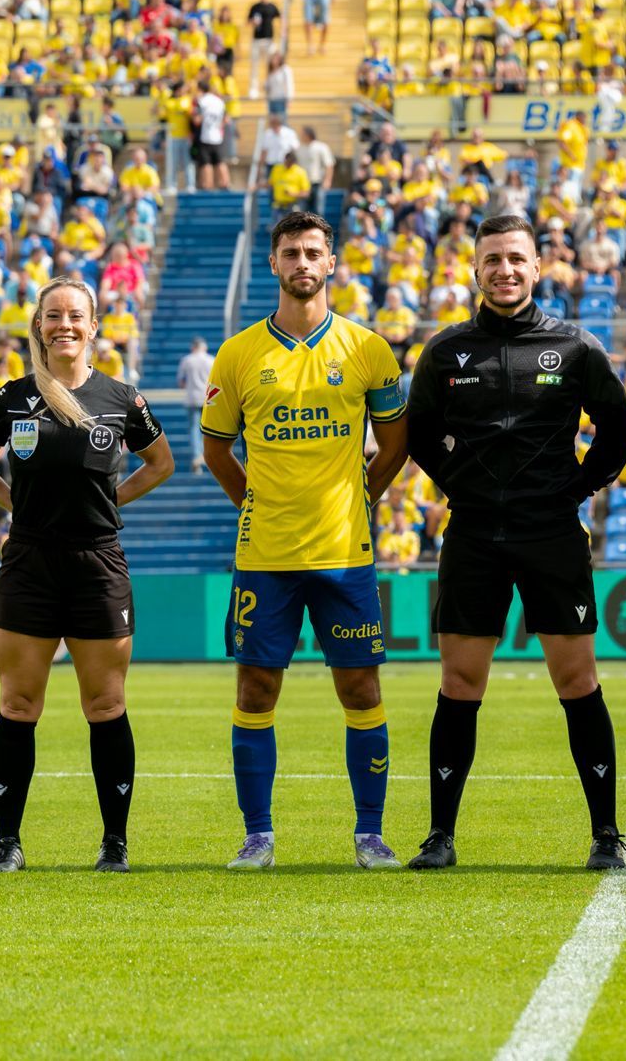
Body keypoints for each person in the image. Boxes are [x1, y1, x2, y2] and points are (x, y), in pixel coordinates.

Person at [404, 214, 626, 870]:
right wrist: (458, 482)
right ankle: (441, 837)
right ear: (475, 271)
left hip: (551, 533)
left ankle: (606, 836)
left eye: (516, 259)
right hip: (474, 533)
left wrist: (579, 487)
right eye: (492, 261)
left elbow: (615, 430)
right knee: (460, 681)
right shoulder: (446, 351)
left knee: (576, 678)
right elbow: (419, 435)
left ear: (537, 268)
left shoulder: (577, 348)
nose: (504, 271)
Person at [201, 211, 410, 872]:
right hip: (265, 559)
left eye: (312, 252)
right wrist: (253, 504)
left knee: (362, 692)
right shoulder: (237, 354)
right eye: (290, 252)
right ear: (273, 263)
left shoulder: (368, 349)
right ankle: (257, 836)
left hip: (345, 556)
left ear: (332, 262)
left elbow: (397, 442)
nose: (301, 262)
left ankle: (370, 835)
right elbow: (213, 448)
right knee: (255, 691)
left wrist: (361, 497)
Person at [0, 276, 175, 872]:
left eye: (76, 315)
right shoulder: (11, 398)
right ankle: (9, 844)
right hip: (28, 560)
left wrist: (114, 502)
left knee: (106, 704)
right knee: (18, 702)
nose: (65, 325)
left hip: (97, 562)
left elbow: (160, 462)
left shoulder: (122, 398)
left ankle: (115, 844)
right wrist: (17, 507)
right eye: (53, 315)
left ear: (94, 325)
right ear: (39, 325)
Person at [176, 337, 214, 473]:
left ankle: (197, 455)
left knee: (193, 428)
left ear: (193, 347)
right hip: (208, 398)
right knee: (209, 428)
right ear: (204, 347)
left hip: (192, 397)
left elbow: (181, 382)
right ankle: (208, 455)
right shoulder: (211, 360)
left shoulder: (187, 360)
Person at [247, 0, 281, 100]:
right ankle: (254, 88)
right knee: (255, 65)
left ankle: (268, 87)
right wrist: (254, 22)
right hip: (257, 40)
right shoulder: (255, 7)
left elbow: (281, 17)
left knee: (269, 65)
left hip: (269, 40)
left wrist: (283, 32)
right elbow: (248, 21)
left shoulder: (272, 7)